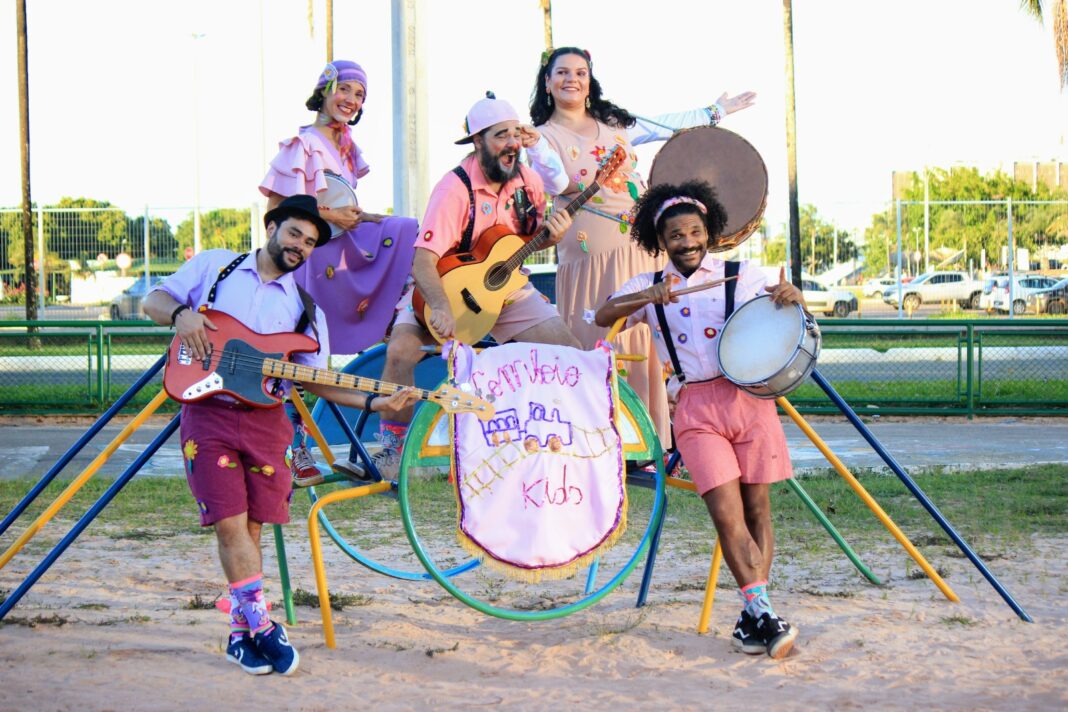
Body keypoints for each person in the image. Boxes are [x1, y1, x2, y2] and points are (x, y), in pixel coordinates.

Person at [143, 195, 417, 676]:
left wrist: (377, 402)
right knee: (229, 521)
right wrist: (179, 316)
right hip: (207, 412)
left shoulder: (306, 309)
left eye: (311, 242)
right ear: (271, 226)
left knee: (252, 528)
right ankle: (265, 627)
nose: (301, 246)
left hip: (268, 421)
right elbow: (153, 300)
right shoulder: (215, 268)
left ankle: (240, 635)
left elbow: (317, 380)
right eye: (295, 234)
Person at [594, 181, 808, 660]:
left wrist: (794, 296)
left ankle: (755, 616)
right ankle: (766, 614)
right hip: (694, 409)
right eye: (675, 235)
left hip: (750, 400)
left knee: (758, 512)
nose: (687, 241)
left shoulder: (741, 274)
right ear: (660, 241)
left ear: (709, 232)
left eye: (694, 231)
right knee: (725, 514)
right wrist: (650, 295)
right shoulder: (649, 287)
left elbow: (790, 310)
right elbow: (601, 315)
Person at [528, 46, 756, 444]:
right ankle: (595, 443)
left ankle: (648, 443)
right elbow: (558, 182)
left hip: (639, 250)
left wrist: (713, 113)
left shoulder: (614, 122)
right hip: (589, 257)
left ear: (589, 80)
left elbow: (664, 126)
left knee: (644, 343)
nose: (571, 79)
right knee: (597, 343)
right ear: (547, 82)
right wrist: (531, 143)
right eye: (561, 72)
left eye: (580, 72)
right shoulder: (543, 138)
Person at [374, 93, 579, 477]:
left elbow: (525, 241)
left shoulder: (529, 180)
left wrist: (550, 238)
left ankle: (554, 444)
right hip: (443, 287)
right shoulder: (453, 189)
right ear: (478, 141)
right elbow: (422, 259)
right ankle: (392, 450)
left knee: (569, 352)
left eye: (517, 134)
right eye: (502, 135)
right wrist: (439, 306)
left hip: (507, 289)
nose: (513, 143)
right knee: (401, 351)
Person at [259, 60, 420, 481]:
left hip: (336, 251)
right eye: (345, 89)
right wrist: (331, 216)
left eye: (360, 94)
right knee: (295, 354)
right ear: (325, 89)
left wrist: (364, 218)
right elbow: (277, 212)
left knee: (404, 230)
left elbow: (346, 211)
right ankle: (293, 449)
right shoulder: (303, 144)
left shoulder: (345, 149)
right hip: (308, 259)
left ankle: (398, 317)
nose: (351, 100)